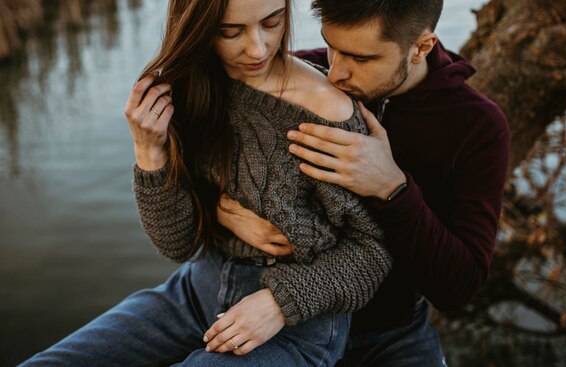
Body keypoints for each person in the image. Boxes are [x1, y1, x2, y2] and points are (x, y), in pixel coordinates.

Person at [18, 0, 393, 366]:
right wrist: (149, 152)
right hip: (197, 289)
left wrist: (281, 301)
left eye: (272, 22)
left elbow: (374, 253)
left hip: (295, 323)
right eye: (230, 32)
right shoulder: (190, 91)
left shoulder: (329, 114)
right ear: (199, 30)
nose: (257, 48)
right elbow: (177, 244)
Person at [218, 0, 511, 366]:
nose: (335, 73)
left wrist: (393, 189)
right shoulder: (301, 77)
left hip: (390, 334)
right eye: (331, 46)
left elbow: (458, 287)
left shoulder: (476, 126)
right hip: (287, 320)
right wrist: (223, 210)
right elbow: (204, 160)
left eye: (361, 58)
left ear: (422, 47)